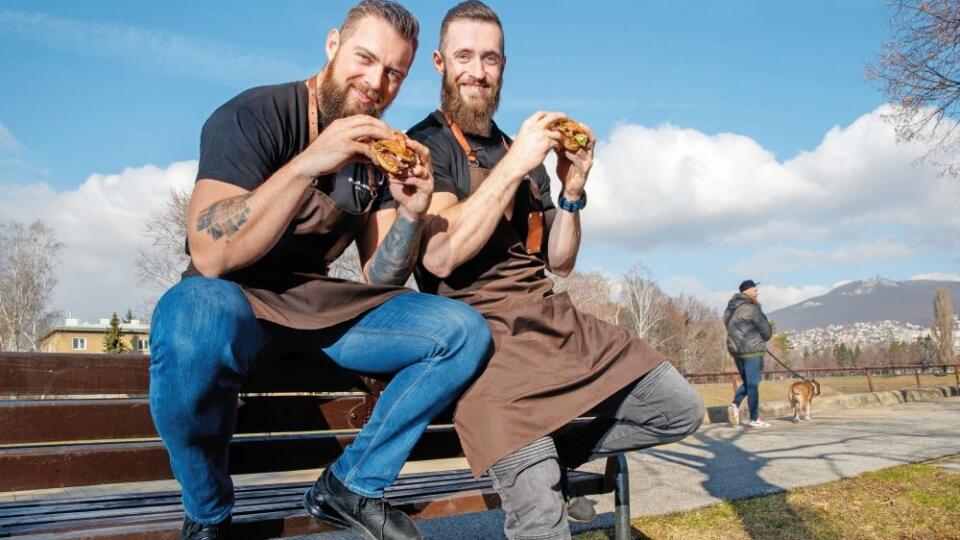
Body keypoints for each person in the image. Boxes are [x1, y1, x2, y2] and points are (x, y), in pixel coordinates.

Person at [148, 3, 491, 539]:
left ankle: (350, 484)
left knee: (462, 330)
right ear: (333, 45)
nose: (376, 82)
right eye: (365, 58)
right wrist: (312, 160)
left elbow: (380, 277)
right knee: (190, 318)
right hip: (232, 301)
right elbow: (210, 253)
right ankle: (209, 513)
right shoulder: (255, 114)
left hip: (315, 306)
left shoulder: (379, 152)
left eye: (394, 72)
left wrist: (412, 212)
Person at [377, 3, 705, 538]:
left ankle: (556, 453)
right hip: (487, 351)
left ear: (504, 65)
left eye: (490, 58)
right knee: (541, 520)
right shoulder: (425, 147)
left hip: (557, 327)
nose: (477, 71)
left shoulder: (517, 150)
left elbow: (561, 260)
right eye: (464, 56)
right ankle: (536, 462)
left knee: (678, 409)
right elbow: (439, 256)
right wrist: (515, 165)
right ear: (439, 62)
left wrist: (573, 192)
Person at [724, 279, 773, 428]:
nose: (757, 293)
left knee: (749, 382)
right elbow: (766, 330)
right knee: (753, 385)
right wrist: (762, 338)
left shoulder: (730, 308)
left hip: (736, 351)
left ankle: (735, 403)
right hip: (752, 351)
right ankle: (754, 418)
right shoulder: (752, 308)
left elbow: (729, 326)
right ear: (748, 291)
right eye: (755, 290)